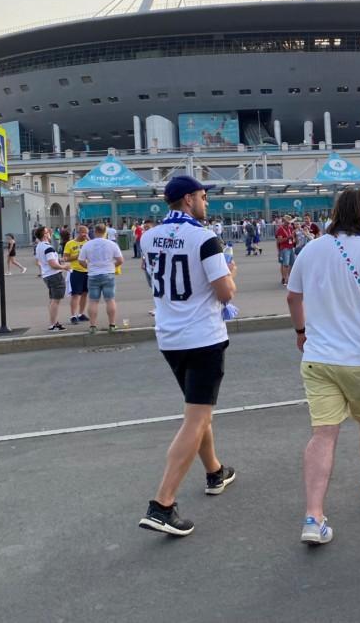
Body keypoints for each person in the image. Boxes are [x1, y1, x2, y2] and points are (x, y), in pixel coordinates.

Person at [286, 189, 360, 546]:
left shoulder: (311, 248)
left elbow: (293, 296)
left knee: (323, 434)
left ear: (335, 213)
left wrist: (301, 331)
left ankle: (314, 516)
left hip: (318, 358)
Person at [138, 175, 237, 537]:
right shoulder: (204, 238)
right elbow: (225, 292)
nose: (206, 203)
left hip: (169, 336)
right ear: (189, 199)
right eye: (203, 197)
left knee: (199, 410)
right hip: (203, 337)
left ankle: (214, 471)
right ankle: (162, 504)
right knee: (195, 418)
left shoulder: (148, 236)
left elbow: (151, 278)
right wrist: (231, 274)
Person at [78, 223, 124, 333]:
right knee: (110, 300)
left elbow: (81, 260)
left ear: (94, 231)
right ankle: (112, 325)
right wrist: (112, 265)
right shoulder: (111, 244)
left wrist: (88, 266)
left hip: (93, 274)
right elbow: (120, 260)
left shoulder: (88, 245)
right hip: (108, 273)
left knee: (93, 301)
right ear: (105, 232)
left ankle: (93, 326)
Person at [34, 226, 72, 331]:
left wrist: (59, 259)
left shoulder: (39, 246)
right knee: (56, 301)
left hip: (47, 275)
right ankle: (53, 324)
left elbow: (43, 261)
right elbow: (53, 264)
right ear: (44, 235)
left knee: (52, 300)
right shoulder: (48, 248)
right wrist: (65, 267)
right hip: (54, 275)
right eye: (47, 231)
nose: (49, 232)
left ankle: (54, 322)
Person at [63, 225, 91, 325]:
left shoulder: (88, 243)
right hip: (75, 271)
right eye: (83, 232)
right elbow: (65, 258)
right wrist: (77, 256)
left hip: (87, 271)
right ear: (78, 232)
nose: (85, 235)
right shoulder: (70, 244)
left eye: (86, 233)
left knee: (85, 293)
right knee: (76, 294)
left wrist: (89, 240)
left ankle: (81, 314)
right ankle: (73, 315)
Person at [275, 215, 298, 286]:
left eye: (289, 222)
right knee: (285, 264)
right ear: (284, 221)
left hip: (291, 247)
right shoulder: (280, 229)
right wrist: (288, 238)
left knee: (292, 264)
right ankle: (285, 279)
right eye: (287, 222)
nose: (288, 223)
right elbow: (279, 240)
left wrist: (294, 239)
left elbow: (293, 238)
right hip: (284, 248)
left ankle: (289, 278)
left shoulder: (290, 228)